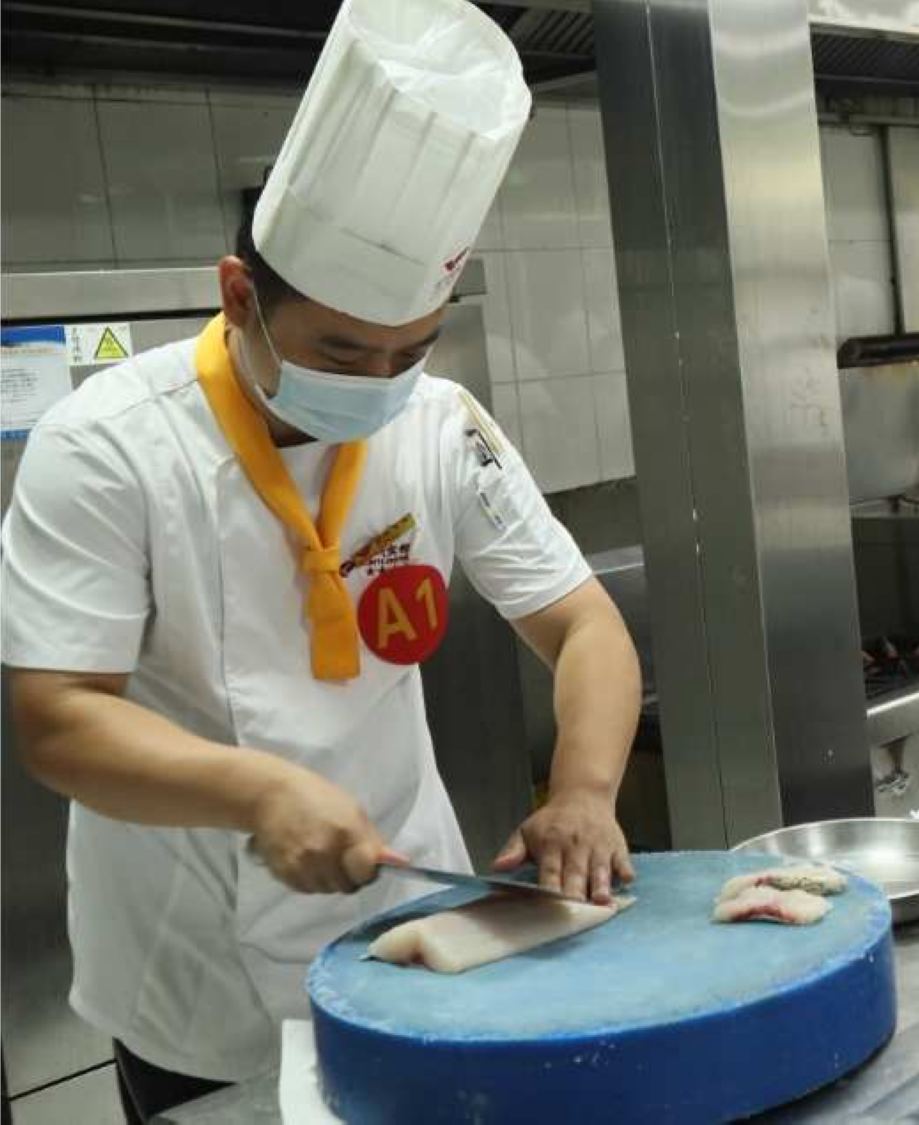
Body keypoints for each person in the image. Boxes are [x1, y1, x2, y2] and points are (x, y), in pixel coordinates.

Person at [0, 2, 641, 1119]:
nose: (379, 382)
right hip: (196, 966)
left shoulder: (440, 424)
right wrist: (258, 789)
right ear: (238, 296)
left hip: (414, 926)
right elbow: (57, 717)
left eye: (410, 350)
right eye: (342, 351)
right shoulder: (105, 444)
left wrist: (584, 791)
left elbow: (582, 622)